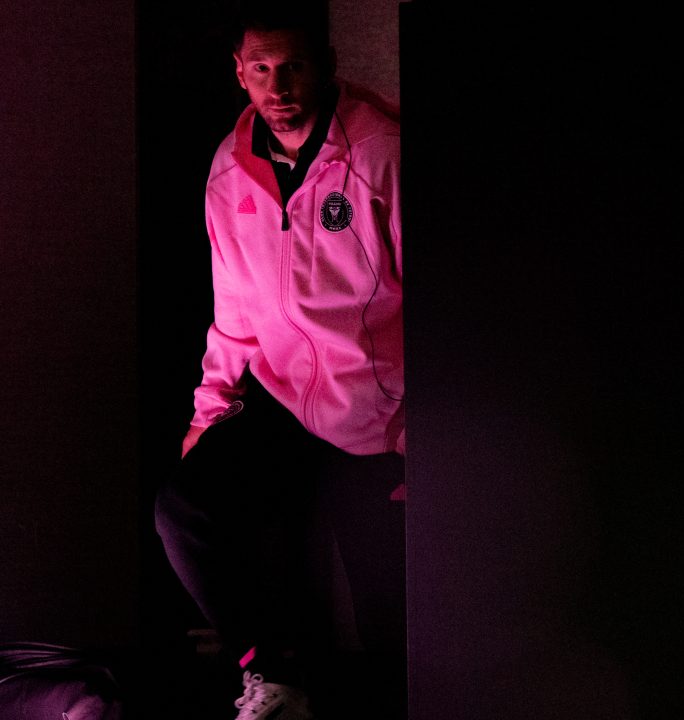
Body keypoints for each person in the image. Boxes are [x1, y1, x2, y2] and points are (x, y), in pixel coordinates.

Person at [153, 1, 406, 717]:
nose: (279, 84)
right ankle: (272, 675)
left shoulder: (381, 150)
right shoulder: (230, 170)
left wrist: (425, 432)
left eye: (292, 65)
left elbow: (445, 304)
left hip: (381, 418)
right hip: (288, 405)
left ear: (323, 67)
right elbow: (233, 310)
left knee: (388, 621)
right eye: (261, 68)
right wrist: (209, 414)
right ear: (239, 74)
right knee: (185, 508)